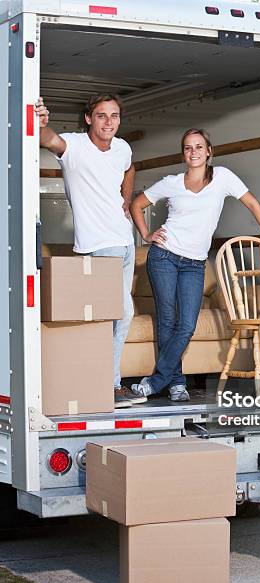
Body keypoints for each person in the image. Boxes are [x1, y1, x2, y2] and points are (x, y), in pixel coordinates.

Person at [130, 128, 260, 401]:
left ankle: (155, 381)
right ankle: (176, 384)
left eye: (199, 147)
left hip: (194, 263)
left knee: (186, 324)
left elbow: (252, 203)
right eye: (188, 148)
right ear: (183, 153)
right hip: (163, 256)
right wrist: (146, 234)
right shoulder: (171, 182)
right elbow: (136, 204)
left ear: (209, 151)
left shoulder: (223, 177)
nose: (194, 152)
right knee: (168, 321)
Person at [35, 94, 146, 408]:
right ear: (88, 119)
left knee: (119, 316)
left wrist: (125, 199)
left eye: (114, 116)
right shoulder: (75, 146)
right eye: (101, 116)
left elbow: (130, 167)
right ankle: (108, 385)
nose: (109, 122)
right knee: (118, 316)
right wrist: (41, 125)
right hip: (98, 247)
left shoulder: (122, 147)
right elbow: (49, 139)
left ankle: (106, 383)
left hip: (125, 243)